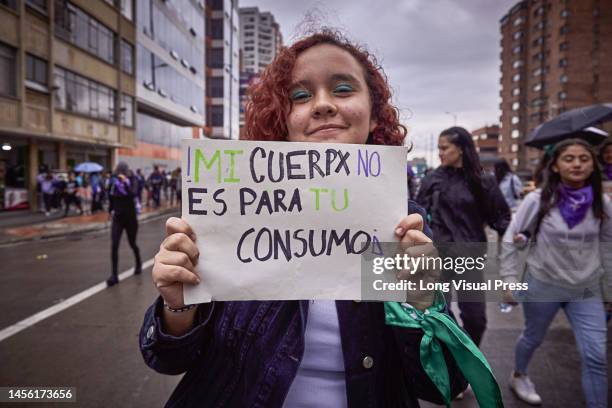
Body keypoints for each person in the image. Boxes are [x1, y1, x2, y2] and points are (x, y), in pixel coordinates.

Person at [139, 31, 475, 407]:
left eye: (343, 89)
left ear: (374, 112)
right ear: (282, 120)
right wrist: (177, 305)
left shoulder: (406, 228)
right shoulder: (232, 212)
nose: (322, 105)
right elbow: (168, 358)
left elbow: (445, 383)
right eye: (300, 96)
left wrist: (423, 301)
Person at [499, 138, 611, 407]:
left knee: (595, 355)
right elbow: (509, 239)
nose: (577, 164)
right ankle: (519, 375)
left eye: (584, 159)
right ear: (557, 166)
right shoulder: (538, 199)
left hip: (586, 289)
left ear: (592, 165)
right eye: (569, 158)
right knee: (532, 337)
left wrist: (609, 290)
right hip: (543, 284)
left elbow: (608, 247)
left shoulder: (602, 203)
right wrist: (509, 280)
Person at [416, 127, 511, 347]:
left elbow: (502, 218)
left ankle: (468, 360)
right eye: (439, 148)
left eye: (444, 148)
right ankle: (452, 366)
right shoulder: (433, 180)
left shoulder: (483, 180)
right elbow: (418, 215)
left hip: (470, 260)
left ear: (460, 149)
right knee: (440, 315)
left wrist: (518, 236)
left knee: (476, 320)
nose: (440, 152)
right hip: (437, 259)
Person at [107, 162, 141, 287]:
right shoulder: (113, 182)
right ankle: (114, 275)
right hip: (118, 218)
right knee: (114, 245)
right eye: (118, 172)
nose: (120, 175)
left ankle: (138, 263)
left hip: (130, 218)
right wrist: (110, 210)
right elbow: (110, 196)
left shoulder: (132, 180)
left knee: (132, 243)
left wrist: (126, 183)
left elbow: (133, 193)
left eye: (122, 172)